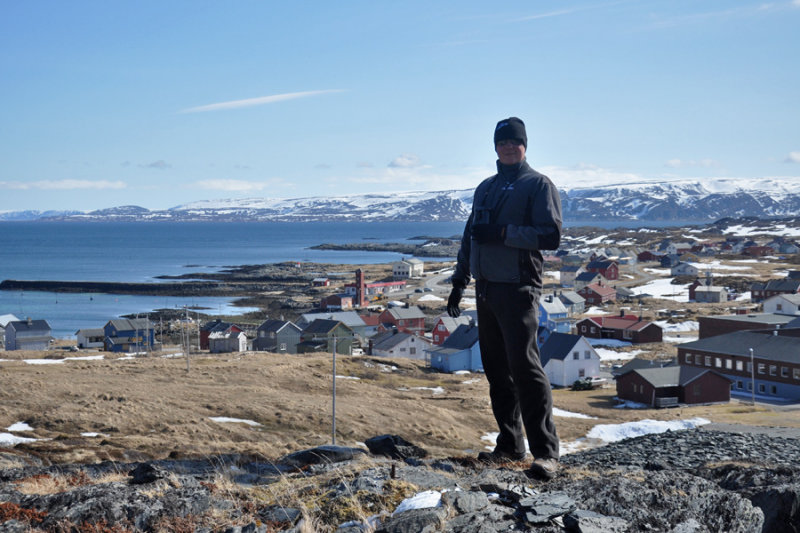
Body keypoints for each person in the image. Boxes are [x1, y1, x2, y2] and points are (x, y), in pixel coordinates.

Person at [447, 116, 562, 480]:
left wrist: (502, 232)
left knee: (525, 369)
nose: (509, 147)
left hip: (518, 288)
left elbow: (550, 235)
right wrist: (459, 278)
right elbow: (471, 236)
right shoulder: (486, 188)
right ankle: (510, 446)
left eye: (515, 142)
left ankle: (546, 453)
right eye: (502, 142)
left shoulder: (538, 185)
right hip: (487, 289)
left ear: (525, 145)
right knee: (497, 371)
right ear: (495, 147)